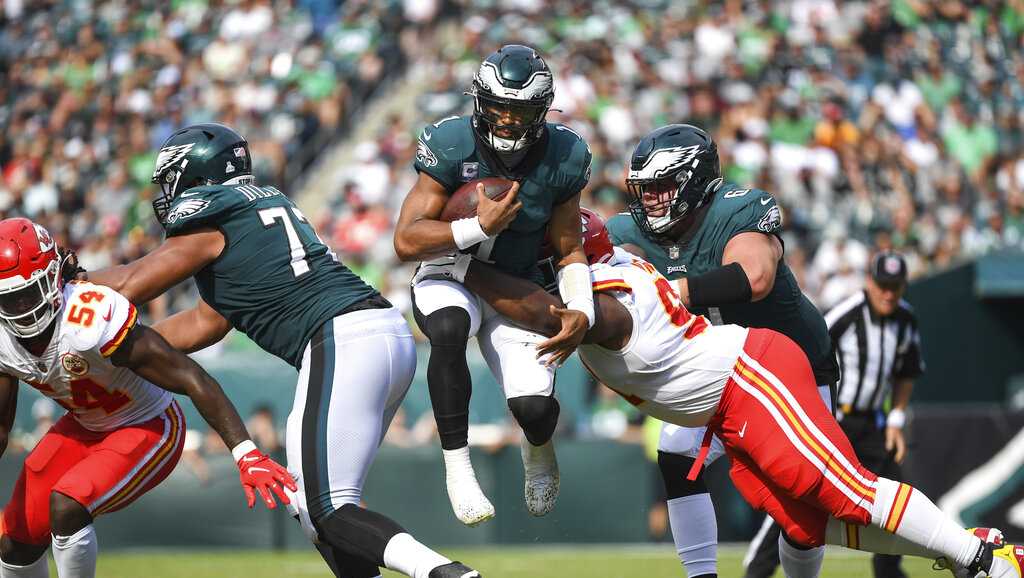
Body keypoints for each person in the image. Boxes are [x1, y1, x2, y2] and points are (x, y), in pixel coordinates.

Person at [415, 209, 1024, 578]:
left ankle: (987, 561)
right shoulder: (605, 269)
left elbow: (551, 316)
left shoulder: (604, 295)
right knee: (805, 523)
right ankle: (965, 547)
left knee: (844, 490)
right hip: (724, 406)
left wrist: (463, 267)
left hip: (752, 376)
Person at [85, 124, 478, 578]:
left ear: (193, 177)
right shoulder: (255, 210)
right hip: (376, 333)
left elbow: (132, 283)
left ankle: (445, 573)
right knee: (312, 507)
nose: (166, 192)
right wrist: (131, 351)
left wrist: (65, 281)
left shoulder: (210, 222)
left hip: (341, 336)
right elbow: (203, 324)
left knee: (326, 506)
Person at [605, 123, 840, 578]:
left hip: (795, 372)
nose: (649, 199)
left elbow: (754, 278)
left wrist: (668, 291)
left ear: (694, 182)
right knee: (676, 457)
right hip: (722, 373)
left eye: (662, 186)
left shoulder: (738, 209)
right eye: (644, 188)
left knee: (803, 510)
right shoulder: (630, 231)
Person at [0, 218, 292, 578]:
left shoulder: (88, 318)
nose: (21, 308)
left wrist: (245, 452)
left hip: (149, 423)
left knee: (67, 503)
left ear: (53, 277)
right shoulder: (3, 339)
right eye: (8, 299)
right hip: (85, 425)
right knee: (15, 538)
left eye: (28, 292)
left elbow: (189, 375)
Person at [393, 44, 593, 526]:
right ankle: (458, 468)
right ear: (480, 101)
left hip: (516, 286)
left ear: (541, 110)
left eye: (519, 110)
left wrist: (581, 306)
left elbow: (569, 248)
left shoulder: (564, 154)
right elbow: (406, 240)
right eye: (499, 107)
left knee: (533, 409)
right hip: (450, 271)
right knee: (446, 329)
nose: (506, 120)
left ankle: (539, 447)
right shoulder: (451, 141)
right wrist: (477, 228)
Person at [818, 250, 924, 578]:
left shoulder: (906, 319)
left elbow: (908, 371)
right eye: (883, 285)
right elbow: (811, 348)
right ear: (869, 282)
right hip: (837, 422)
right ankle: (760, 568)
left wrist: (896, 418)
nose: (888, 293)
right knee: (805, 498)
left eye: (895, 286)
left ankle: (889, 571)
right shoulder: (847, 313)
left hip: (875, 422)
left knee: (896, 500)